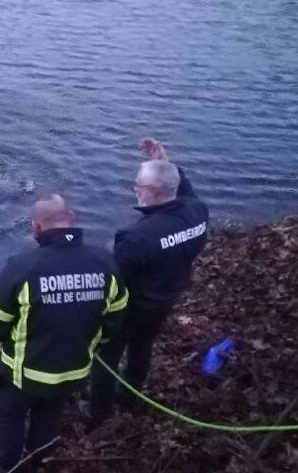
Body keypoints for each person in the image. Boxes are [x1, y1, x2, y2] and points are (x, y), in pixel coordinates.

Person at [0, 194, 128, 473]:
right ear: (71, 218)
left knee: (8, 416)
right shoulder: (105, 263)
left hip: (23, 373)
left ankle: (6, 469)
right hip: (74, 370)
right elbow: (116, 317)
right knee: (49, 414)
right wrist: (91, 342)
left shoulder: (22, 266)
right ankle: (40, 459)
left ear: (36, 227)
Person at [86, 138, 209, 424]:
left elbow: (111, 282)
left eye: (137, 186)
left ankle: (98, 414)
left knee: (107, 357)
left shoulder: (137, 237)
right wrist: (164, 162)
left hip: (132, 308)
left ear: (151, 193)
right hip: (167, 296)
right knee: (143, 345)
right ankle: (130, 397)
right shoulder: (197, 211)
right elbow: (184, 188)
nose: (135, 191)